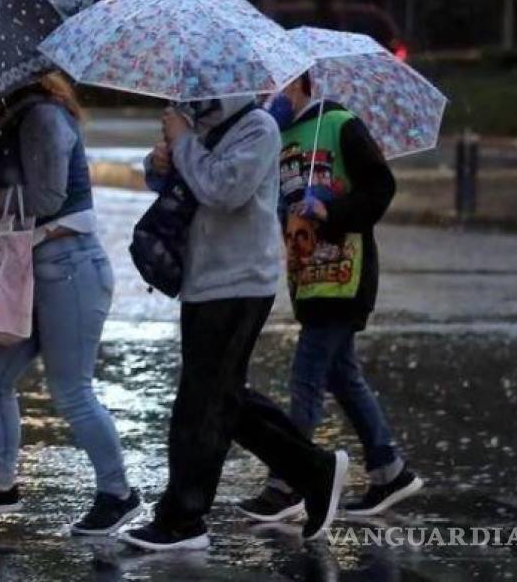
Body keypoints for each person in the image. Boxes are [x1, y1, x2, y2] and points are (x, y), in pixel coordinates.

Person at [120, 96, 349, 552]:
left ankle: (183, 518)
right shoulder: (200, 123)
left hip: (241, 280)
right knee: (221, 398)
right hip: (203, 278)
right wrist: (161, 158)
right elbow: (170, 179)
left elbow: (223, 189)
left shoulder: (258, 128)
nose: (195, 87)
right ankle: (315, 470)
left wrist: (183, 141)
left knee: (201, 402)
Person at [0, 72, 141, 536]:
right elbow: (11, 193)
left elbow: (48, 196)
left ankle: (119, 494)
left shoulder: (43, 116)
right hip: (29, 265)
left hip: (69, 267)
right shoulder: (7, 113)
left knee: (72, 390)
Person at [237, 75, 423, 522]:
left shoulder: (341, 125)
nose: (269, 95)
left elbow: (381, 187)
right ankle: (389, 469)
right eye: (263, 89)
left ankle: (289, 482)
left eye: (276, 86)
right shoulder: (276, 136)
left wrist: (331, 210)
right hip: (308, 276)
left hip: (346, 274)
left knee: (307, 376)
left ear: (301, 84)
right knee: (342, 375)